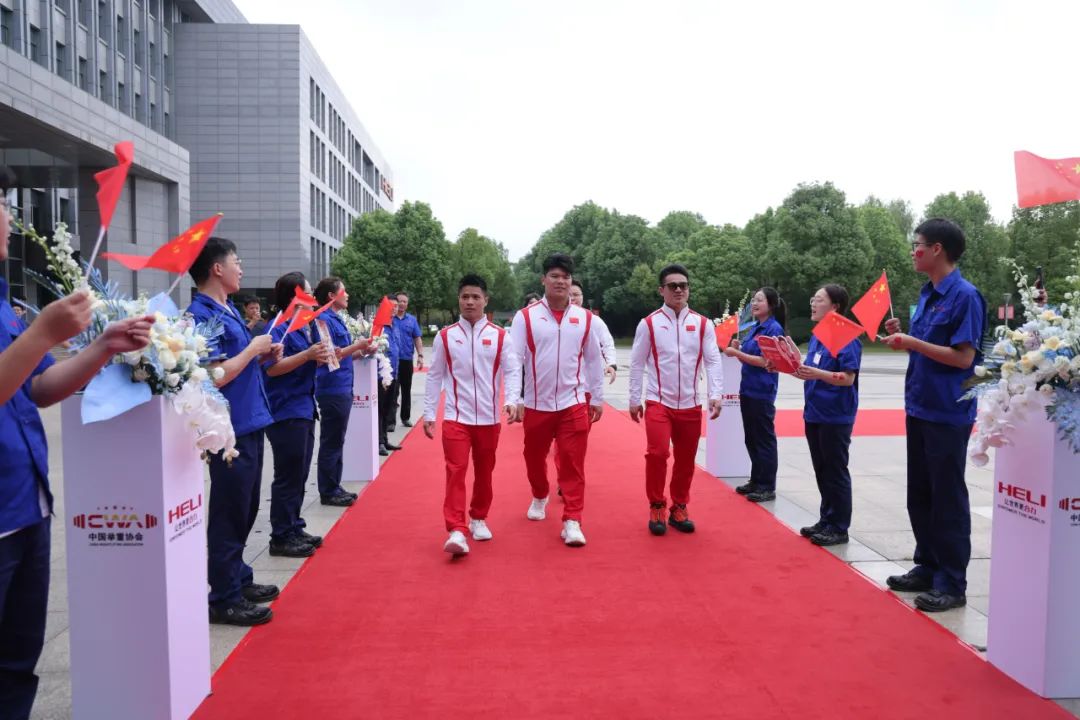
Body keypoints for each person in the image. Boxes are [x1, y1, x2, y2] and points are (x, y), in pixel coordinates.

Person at [0, 169, 155, 719]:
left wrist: (103, 347)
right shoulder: (26, 319)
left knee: (17, 663)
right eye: (0, 205)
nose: (9, 217)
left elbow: (39, 388)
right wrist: (43, 332)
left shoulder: (4, 304)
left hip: (27, 506)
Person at [883, 218, 986, 613]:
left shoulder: (965, 296)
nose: (914, 251)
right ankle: (926, 567)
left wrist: (913, 341)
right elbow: (928, 347)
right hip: (920, 405)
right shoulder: (928, 293)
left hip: (947, 411)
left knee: (947, 498)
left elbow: (963, 358)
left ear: (937, 249)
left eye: (918, 244)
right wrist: (906, 336)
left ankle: (952, 583)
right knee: (921, 494)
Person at [187, 236, 283, 627]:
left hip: (249, 420)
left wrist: (262, 354)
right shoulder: (200, 315)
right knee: (229, 512)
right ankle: (223, 596)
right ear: (217, 268)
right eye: (236, 262)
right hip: (229, 429)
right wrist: (252, 350)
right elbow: (212, 375)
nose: (241, 269)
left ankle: (238, 578)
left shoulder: (226, 310)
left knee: (246, 507)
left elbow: (239, 366)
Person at [504, 253, 605, 547]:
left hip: (573, 402)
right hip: (537, 404)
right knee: (533, 458)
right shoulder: (526, 317)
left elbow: (593, 359)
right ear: (544, 280)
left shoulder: (584, 318)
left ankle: (572, 519)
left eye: (566, 277)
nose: (561, 282)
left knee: (573, 463)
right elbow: (514, 360)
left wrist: (597, 397)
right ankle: (539, 494)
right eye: (555, 276)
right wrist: (514, 397)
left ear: (571, 282)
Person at [629, 264, 723, 535]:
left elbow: (713, 360)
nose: (679, 290)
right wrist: (634, 398)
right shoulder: (649, 323)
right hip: (659, 401)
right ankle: (657, 504)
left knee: (686, 458)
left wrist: (715, 393)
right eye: (673, 286)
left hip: (691, 403)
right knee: (657, 454)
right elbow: (636, 363)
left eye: (683, 285)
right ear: (662, 290)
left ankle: (679, 506)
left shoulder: (702, 323)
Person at [423, 274, 512, 555]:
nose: (470, 302)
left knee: (485, 473)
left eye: (475, 297)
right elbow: (434, 375)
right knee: (456, 471)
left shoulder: (500, 336)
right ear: (458, 300)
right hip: (456, 417)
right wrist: (429, 413)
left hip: (488, 418)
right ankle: (457, 529)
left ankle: (478, 518)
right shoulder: (446, 336)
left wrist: (512, 399)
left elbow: (512, 371)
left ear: (486, 300)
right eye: (465, 297)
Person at [263, 273, 333, 558]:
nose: (312, 297)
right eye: (308, 292)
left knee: (300, 472)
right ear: (295, 296)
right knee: (288, 474)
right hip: (285, 408)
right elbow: (271, 369)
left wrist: (319, 356)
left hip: (304, 405)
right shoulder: (277, 327)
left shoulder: (303, 326)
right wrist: (307, 355)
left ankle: (293, 526)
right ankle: (280, 535)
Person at [791, 285, 861, 547]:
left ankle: (839, 527)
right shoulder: (819, 335)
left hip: (835, 415)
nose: (813, 303)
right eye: (813, 299)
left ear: (835, 306)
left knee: (835, 470)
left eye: (819, 300)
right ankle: (826, 519)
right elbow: (812, 370)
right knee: (821, 469)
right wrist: (790, 368)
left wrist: (817, 374)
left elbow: (847, 378)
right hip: (815, 411)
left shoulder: (845, 336)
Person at [313, 277, 373, 507]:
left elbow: (344, 355)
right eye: (343, 291)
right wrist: (357, 345)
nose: (347, 295)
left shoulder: (335, 318)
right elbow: (330, 356)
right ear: (331, 295)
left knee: (337, 439)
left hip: (343, 384)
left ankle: (334, 486)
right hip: (332, 387)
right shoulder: (322, 320)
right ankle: (328, 491)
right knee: (332, 440)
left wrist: (363, 350)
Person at [723, 287, 786, 503]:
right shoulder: (756, 327)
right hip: (748, 388)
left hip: (762, 391)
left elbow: (766, 361)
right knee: (752, 437)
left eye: (759, 300)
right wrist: (739, 349)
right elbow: (750, 356)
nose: (755, 303)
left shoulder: (773, 329)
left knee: (763, 439)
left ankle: (767, 486)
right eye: (753, 300)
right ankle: (757, 480)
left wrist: (736, 353)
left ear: (771, 304)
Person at [569, 279, 617, 383]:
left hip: (589, 381)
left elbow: (607, 343)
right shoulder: (555, 321)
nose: (572, 298)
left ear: (582, 296)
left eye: (576, 294)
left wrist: (611, 364)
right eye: (568, 295)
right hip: (565, 380)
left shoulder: (592, 319)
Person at [389, 291, 424, 429]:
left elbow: (417, 338)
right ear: (395, 303)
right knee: (393, 390)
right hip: (392, 360)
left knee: (406, 389)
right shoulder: (389, 318)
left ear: (407, 304)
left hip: (406, 360)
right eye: (400, 301)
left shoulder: (411, 320)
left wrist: (420, 355)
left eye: (405, 302)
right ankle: (390, 422)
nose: (402, 304)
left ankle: (405, 417)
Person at [377, 294, 402, 456]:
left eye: (396, 306)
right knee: (380, 409)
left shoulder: (395, 325)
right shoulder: (378, 326)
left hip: (394, 373)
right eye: (390, 306)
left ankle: (385, 439)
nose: (394, 309)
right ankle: (379, 441)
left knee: (388, 408)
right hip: (382, 376)